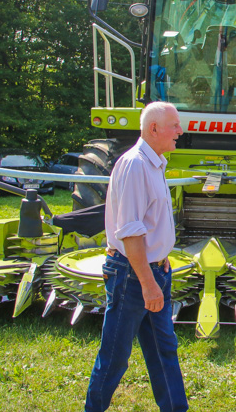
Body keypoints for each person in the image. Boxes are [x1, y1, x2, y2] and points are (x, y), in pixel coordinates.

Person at [84, 101, 188, 412]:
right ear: (153, 129)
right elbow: (130, 231)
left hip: (151, 271)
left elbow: (149, 223)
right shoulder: (135, 165)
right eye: (174, 126)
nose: (180, 132)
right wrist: (148, 281)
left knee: (163, 349)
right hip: (133, 275)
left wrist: (160, 258)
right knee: (115, 356)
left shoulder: (154, 163)